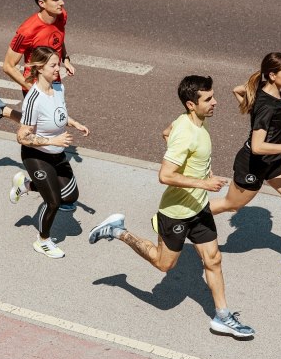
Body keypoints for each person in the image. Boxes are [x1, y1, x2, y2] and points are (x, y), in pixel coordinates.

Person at [88, 75, 255, 339]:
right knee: (163, 265)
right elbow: (165, 175)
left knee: (213, 259)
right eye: (208, 99)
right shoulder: (186, 133)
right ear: (191, 104)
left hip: (199, 209)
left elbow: (166, 132)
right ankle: (118, 231)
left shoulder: (191, 122)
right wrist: (203, 182)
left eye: (213, 96)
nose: (215, 102)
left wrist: (199, 176)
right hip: (175, 212)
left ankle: (222, 316)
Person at [209, 52, 281, 278]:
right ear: (273, 75)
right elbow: (258, 146)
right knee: (230, 205)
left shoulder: (267, 90)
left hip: (273, 161)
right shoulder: (267, 106)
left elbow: (238, 89)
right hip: (253, 164)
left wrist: (248, 104)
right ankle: (178, 218)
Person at [10, 46, 88, 259]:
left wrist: (74, 123)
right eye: (53, 65)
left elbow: (59, 114)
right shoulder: (33, 99)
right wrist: (53, 140)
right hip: (36, 156)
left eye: (58, 64)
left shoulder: (58, 88)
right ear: (39, 68)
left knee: (70, 196)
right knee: (53, 202)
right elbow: (22, 136)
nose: (58, 69)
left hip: (57, 153)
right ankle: (43, 240)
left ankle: (25, 186)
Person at [0, 0, 74, 130]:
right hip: (35, 83)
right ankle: (3, 111)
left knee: (53, 121)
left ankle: (1, 110)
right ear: (42, 3)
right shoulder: (27, 31)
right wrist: (33, 89)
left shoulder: (61, 16)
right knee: (43, 125)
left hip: (55, 79)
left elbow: (58, 40)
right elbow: (8, 66)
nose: (62, 2)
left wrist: (66, 59)